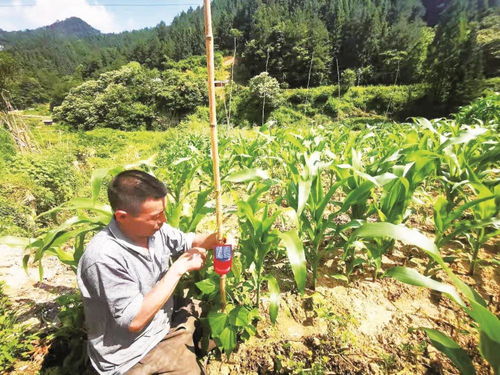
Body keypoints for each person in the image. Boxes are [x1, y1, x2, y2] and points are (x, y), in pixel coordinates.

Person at [77, 169, 221, 375]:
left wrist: (216, 239)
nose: (162, 220)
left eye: (163, 212)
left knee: (218, 321)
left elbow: (187, 240)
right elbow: (133, 321)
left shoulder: (154, 230)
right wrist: (178, 268)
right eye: (155, 216)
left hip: (162, 318)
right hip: (133, 351)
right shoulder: (103, 258)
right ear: (122, 216)